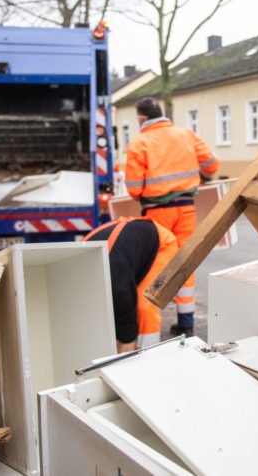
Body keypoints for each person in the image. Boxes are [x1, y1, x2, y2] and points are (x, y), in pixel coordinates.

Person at [125, 97, 219, 336]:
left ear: (142, 119)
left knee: (156, 265)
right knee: (184, 262)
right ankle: (186, 323)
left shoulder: (140, 143)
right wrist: (202, 178)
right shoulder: (185, 135)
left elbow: (134, 189)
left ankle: (150, 325)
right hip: (186, 209)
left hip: (157, 214)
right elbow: (211, 164)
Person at [84, 216, 178, 352]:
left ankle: (147, 355)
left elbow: (127, 337)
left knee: (144, 305)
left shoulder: (119, 289)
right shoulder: (78, 268)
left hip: (162, 245)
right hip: (130, 244)